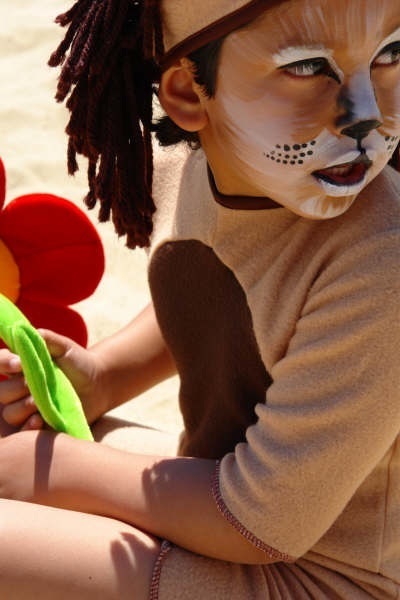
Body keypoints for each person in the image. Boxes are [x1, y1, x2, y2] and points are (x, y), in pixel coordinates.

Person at [0, 0, 399, 597]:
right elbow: (233, 293)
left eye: (391, 54)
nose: (364, 114)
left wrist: (42, 470)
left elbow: (263, 519)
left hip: (328, 574)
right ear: (189, 93)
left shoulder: (383, 262)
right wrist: (104, 373)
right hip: (222, 499)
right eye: (308, 66)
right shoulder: (198, 170)